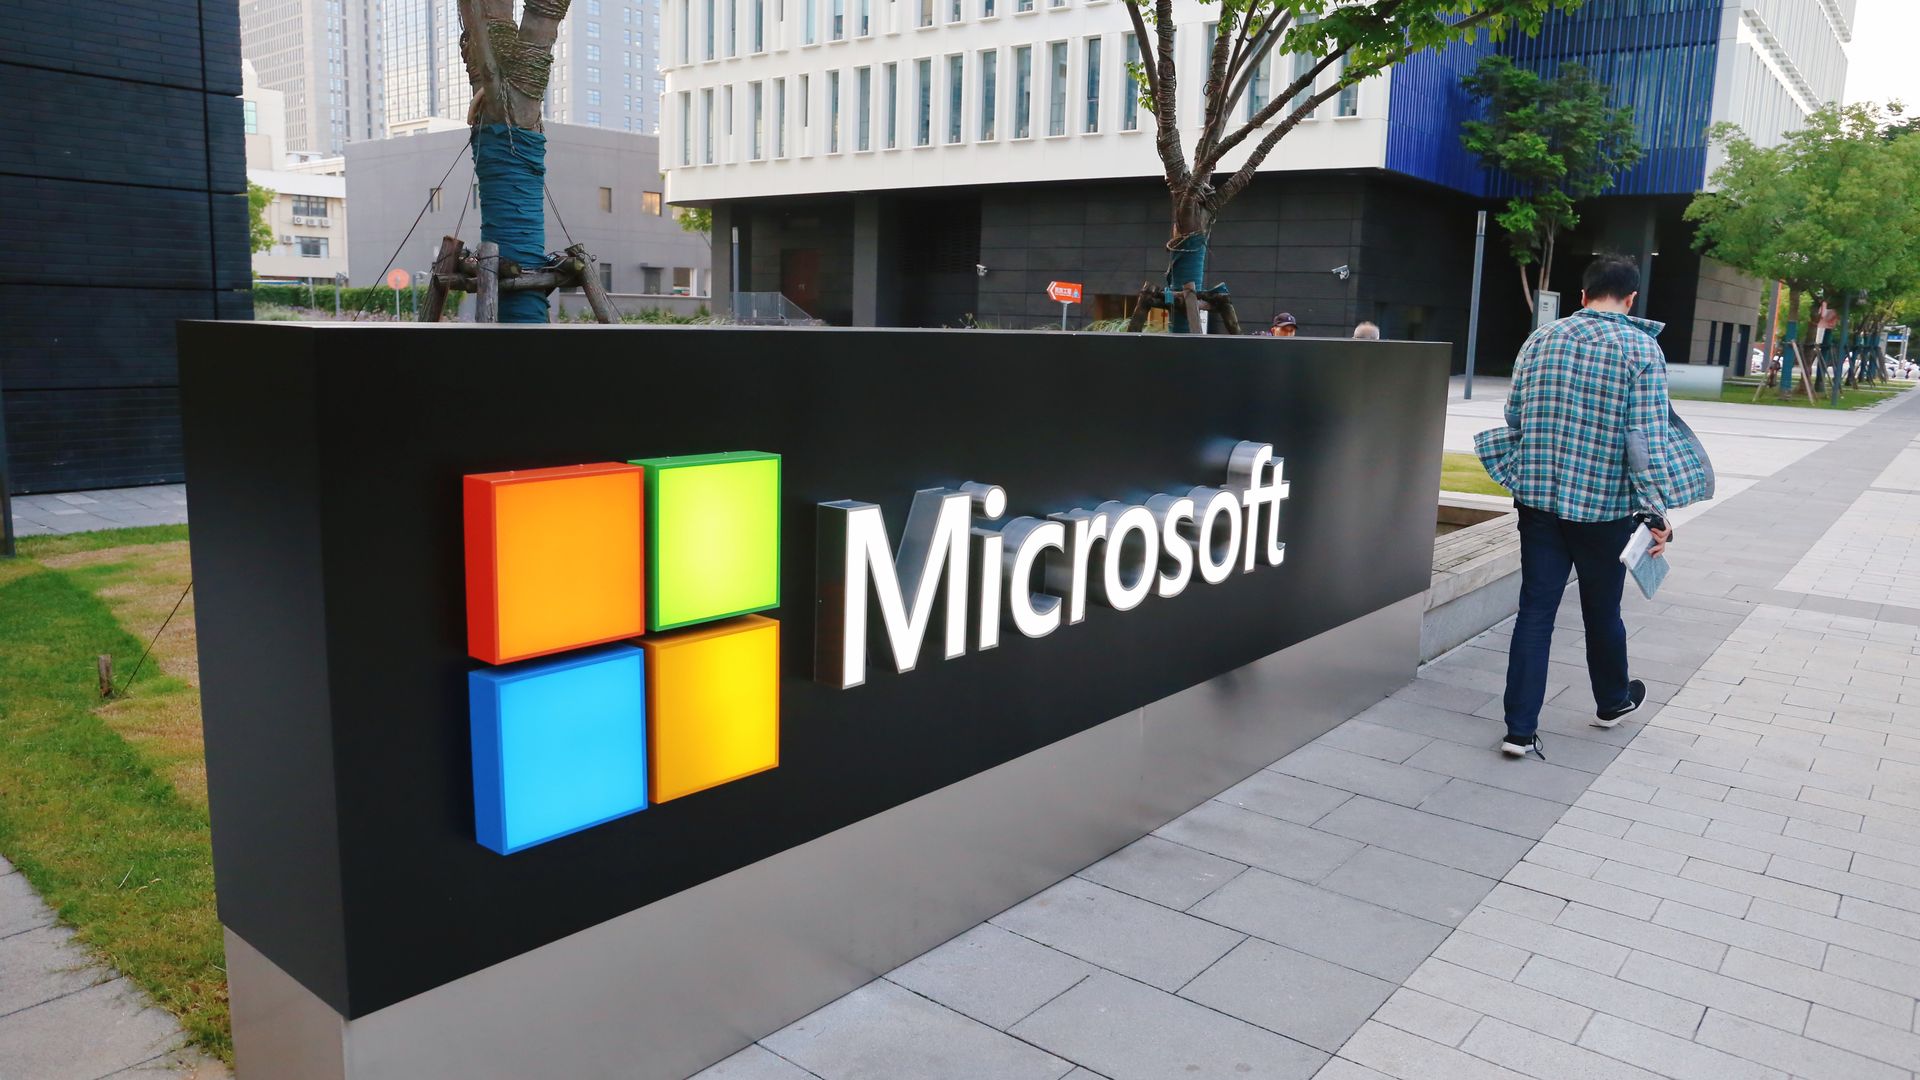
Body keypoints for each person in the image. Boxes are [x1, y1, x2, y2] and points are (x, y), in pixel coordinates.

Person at [1474, 255, 1678, 760]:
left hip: (1538, 498)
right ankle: (1611, 701)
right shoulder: (1641, 348)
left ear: (1582, 294)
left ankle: (1518, 731)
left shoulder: (1541, 339)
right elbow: (1646, 439)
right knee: (1601, 610)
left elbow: (1514, 412)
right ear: (1631, 300)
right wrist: (1656, 512)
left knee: (1535, 612)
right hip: (1605, 507)